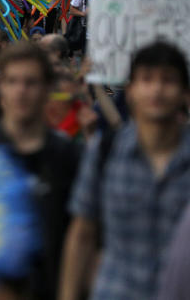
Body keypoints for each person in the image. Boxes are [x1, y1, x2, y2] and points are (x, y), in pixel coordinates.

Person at [60, 42, 190, 300]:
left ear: (184, 92)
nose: (157, 89)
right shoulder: (105, 151)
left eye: (168, 80)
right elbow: (82, 233)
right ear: (130, 90)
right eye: (146, 79)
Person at [0, 42, 79, 299]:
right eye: (13, 81)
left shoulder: (70, 156)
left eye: (31, 82)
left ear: (47, 88)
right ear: (1, 88)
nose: (21, 91)